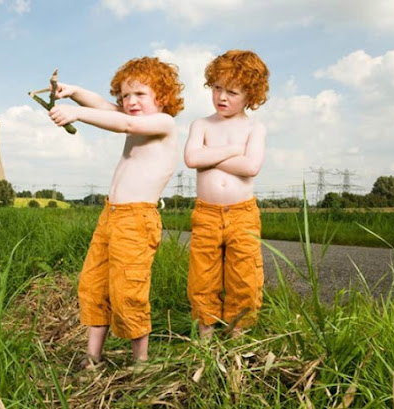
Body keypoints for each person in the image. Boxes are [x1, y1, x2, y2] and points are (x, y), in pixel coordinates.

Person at [48, 57, 184, 367]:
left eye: (140, 94)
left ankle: (141, 363)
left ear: (162, 97)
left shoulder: (163, 123)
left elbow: (127, 123)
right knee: (94, 284)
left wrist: (77, 113)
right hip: (110, 216)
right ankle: (92, 358)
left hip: (137, 220)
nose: (130, 102)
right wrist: (75, 92)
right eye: (125, 96)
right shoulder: (132, 115)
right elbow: (103, 106)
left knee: (128, 289)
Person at [184, 50, 269, 339]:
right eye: (217, 87)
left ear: (250, 95)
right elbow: (192, 159)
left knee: (244, 275)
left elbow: (250, 167)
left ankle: (237, 337)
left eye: (232, 91)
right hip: (206, 213)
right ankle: (205, 337)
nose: (222, 97)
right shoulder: (202, 124)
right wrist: (233, 150)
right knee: (202, 274)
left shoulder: (254, 128)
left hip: (242, 213)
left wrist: (209, 155)